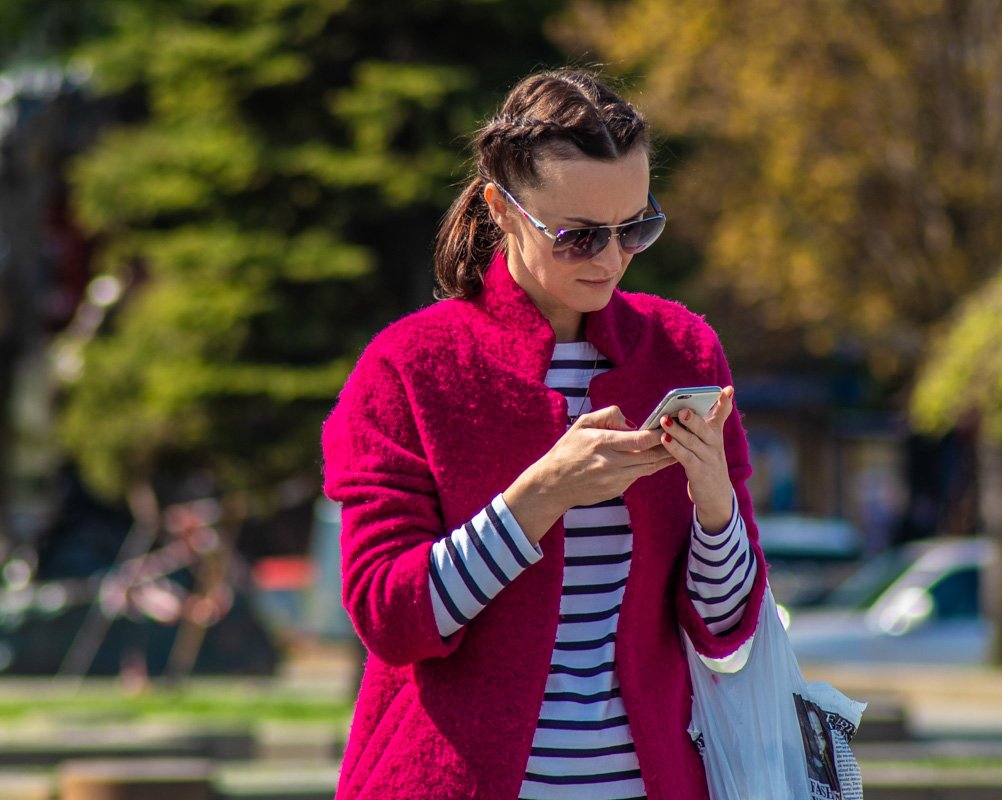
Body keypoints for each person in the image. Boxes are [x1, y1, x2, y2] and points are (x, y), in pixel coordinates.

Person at [321, 69, 767, 799]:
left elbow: (730, 628)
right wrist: (536, 499)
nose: (612, 258)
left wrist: (716, 506)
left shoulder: (682, 353)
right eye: (579, 236)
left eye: (637, 227)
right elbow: (387, 616)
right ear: (502, 208)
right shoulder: (409, 367)